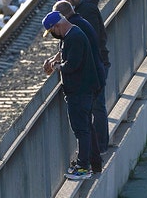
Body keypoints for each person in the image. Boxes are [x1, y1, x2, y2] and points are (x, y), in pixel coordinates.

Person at [42, 11, 103, 179]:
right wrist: (56, 59)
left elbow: (73, 65)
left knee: (81, 130)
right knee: (86, 128)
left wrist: (57, 67)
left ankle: (83, 167)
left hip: (80, 91)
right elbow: (67, 55)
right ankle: (93, 163)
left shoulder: (74, 37)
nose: (53, 35)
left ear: (58, 26)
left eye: (52, 31)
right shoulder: (71, 34)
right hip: (82, 90)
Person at [55, 0, 110, 153]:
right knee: (94, 106)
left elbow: (84, 44)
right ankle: (96, 148)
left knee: (96, 106)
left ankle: (100, 147)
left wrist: (62, 63)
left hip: (96, 65)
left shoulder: (85, 13)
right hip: (96, 64)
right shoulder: (85, 11)